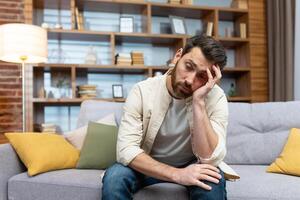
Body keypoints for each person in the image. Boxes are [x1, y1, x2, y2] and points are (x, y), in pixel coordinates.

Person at [102, 34, 236, 200]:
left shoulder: (216, 97)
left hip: (193, 165)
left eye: (201, 76)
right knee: (115, 178)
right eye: (188, 66)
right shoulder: (142, 91)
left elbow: (210, 158)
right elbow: (126, 150)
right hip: (147, 164)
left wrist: (199, 102)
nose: (190, 80)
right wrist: (177, 174)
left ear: (212, 78)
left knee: (212, 181)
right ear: (178, 56)